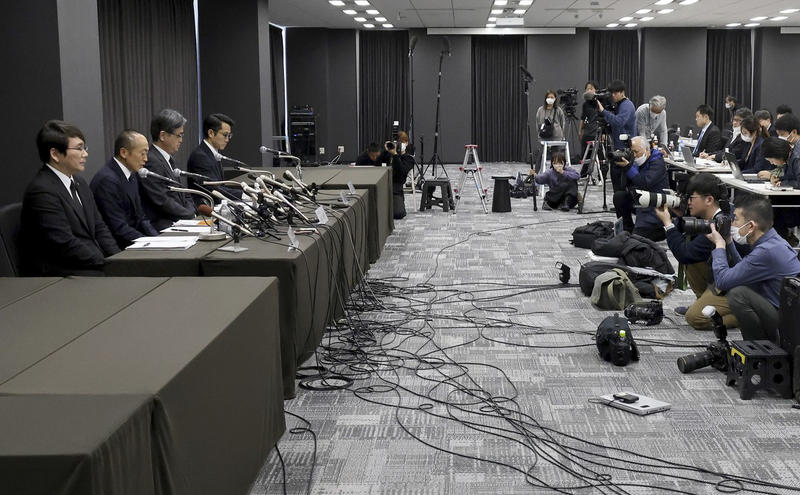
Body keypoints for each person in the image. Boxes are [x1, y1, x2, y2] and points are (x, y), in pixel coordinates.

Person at [21, 120, 120, 276]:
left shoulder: (80, 182)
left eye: (84, 148)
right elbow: (64, 243)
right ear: (55, 154)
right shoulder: (42, 191)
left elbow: (99, 227)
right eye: (79, 148)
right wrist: (105, 264)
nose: (85, 154)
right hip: (62, 271)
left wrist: (118, 260)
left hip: (89, 262)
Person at [706, 195, 800, 343]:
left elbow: (722, 281)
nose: (732, 224)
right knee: (741, 288)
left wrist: (719, 246)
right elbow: (745, 269)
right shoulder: (773, 241)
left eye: (736, 219)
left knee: (738, 294)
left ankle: (758, 347)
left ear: (750, 226)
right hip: (788, 314)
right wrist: (729, 242)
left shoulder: (766, 252)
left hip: (787, 325)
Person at [655, 173, 737, 330]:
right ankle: (703, 301)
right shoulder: (718, 214)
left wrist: (668, 223)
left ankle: (742, 315)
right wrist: (682, 216)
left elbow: (685, 254)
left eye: (691, 198)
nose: (688, 202)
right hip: (725, 278)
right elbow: (690, 249)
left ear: (709, 200)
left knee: (694, 318)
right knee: (693, 260)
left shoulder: (720, 223)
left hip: (737, 286)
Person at [91, 130, 159, 249]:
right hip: (118, 247)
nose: (146, 159)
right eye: (142, 153)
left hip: (134, 240)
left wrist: (157, 240)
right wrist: (149, 243)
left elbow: (141, 217)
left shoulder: (131, 175)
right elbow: (118, 228)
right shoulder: (107, 181)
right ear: (124, 153)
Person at [140, 108, 195, 231]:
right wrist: (189, 215)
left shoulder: (168, 159)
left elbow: (184, 193)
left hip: (180, 221)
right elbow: (162, 200)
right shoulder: (151, 161)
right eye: (179, 135)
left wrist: (192, 212)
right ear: (163, 136)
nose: (181, 140)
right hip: (164, 226)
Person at [613, 136, 669, 241]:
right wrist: (621, 167)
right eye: (632, 152)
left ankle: (662, 230)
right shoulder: (636, 160)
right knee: (619, 197)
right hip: (641, 199)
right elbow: (624, 185)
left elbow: (644, 183)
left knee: (637, 238)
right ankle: (627, 228)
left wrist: (628, 167)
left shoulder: (657, 162)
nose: (634, 155)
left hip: (655, 204)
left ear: (647, 150)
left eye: (636, 152)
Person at [187, 113, 240, 204]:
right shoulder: (200, 156)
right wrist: (243, 194)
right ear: (211, 133)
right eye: (225, 135)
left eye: (229, 136)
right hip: (205, 208)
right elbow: (213, 188)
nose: (227, 140)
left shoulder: (213, 154)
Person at [597, 79, 636, 193]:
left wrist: (603, 111)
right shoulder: (619, 105)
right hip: (619, 147)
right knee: (616, 178)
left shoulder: (627, 105)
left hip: (625, 148)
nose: (613, 95)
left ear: (622, 92)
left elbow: (619, 122)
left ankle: (622, 200)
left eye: (615, 93)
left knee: (621, 181)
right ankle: (618, 199)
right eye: (612, 93)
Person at [760, 136, 800, 245]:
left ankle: (780, 242)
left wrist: (782, 183)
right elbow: (790, 177)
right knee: (768, 206)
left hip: (795, 205)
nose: (772, 163)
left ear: (778, 154)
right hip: (791, 200)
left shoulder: (796, 158)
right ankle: (780, 240)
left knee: (771, 211)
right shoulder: (789, 158)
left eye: (772, 160)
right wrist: (778, 179)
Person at [385, 130, 415, 219]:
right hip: (384, 184)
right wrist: (386, 150)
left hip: (396, 187)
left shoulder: (409, 158)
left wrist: (395, 155)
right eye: (397, 142)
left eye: (402, 142)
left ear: (407, 143)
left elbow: (402, 171)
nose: (399, 144)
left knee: (398, 213)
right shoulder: (388, 155)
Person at [579, 80, 602, 177]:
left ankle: (601, 176)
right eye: (587, 89)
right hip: (587, 132)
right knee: (585, 155)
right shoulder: (585, 104)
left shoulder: (600, 102)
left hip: (598, 132)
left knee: (600, 156)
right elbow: (583, 118)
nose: (589, 90)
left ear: (596, 90)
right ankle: (584, 175)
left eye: (591, 88)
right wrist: (580, 131)